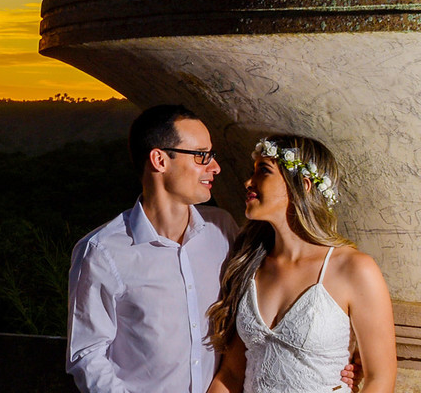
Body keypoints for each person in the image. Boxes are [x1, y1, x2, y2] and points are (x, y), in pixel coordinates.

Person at [67, 104, 237, 392]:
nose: (214, 167)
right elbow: (88, 355)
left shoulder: (222, 229)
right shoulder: (101, 251)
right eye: (201, 155)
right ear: (159, 160)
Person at [205, 134, 395, 393]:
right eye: (253, 171)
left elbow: (380, 379)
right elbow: (231, 374)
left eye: (264, 170)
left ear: (303, 185)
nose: (249, 182)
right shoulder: (250, 265)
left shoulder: (354, 269)